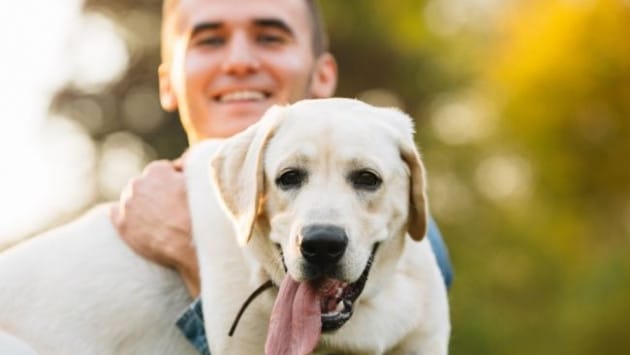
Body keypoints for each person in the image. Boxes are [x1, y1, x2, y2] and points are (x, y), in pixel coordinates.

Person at [109, 0, 453, 354]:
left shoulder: (411, 256)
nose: (239, 62)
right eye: (209, 40)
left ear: (323, 75)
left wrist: (189, 255)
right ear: (165, 82)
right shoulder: (130, 214)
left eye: (270, 37)